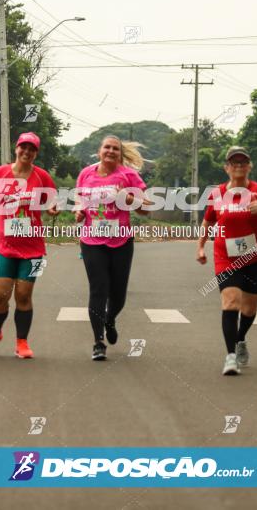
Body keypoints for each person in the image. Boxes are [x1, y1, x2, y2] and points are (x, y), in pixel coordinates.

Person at [0, 132, 58, 359]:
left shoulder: (42, 177)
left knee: (24, 296)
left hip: (34, 248)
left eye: (32, 149)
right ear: (16, 149)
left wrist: (52, 208)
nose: (26, 152)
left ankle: (22, 342)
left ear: (36, 153)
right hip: (5, 246)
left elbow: (53, 200)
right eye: (23, 147)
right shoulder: (1, 173)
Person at [197, 146, 257, 375]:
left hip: (256, 257)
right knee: (231, 302)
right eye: (234, 163)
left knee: (249, 308)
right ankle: (230, 356)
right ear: (227, 168)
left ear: (249, 166)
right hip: (226, 256)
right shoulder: (217, 195)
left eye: (243, 163)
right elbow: (207, 222)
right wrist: (201, 247)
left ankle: (241, 337)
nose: (238, 166)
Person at [75, 135, 149, 361]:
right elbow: (79, 198)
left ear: (120, 153)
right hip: (92, 241)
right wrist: (78, 211)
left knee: (118, 295)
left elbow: (146, 209)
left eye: (115, 149)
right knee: (98, 289)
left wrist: (125, 198)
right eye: (107, 147)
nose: (110, 151)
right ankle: (98, 341)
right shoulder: (86, 173)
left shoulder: (129, 175)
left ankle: (110, 318)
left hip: (121, 242)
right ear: (99, 151)